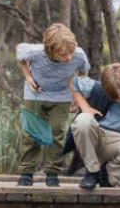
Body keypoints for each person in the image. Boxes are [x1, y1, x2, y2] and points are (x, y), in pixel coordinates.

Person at [16, 23, 90, 187]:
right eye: (64, 54)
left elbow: (84, 72)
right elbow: (19, 50)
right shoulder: (36, 51)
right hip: (35, 95)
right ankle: (27, 173)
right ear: (50, 50)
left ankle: (53, 173)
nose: (69, 57)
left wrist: (78, 95)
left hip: (62, 96)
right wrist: (28, 77)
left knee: (58, 132)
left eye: (71, 51)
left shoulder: (78, 55)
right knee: (31, 133)